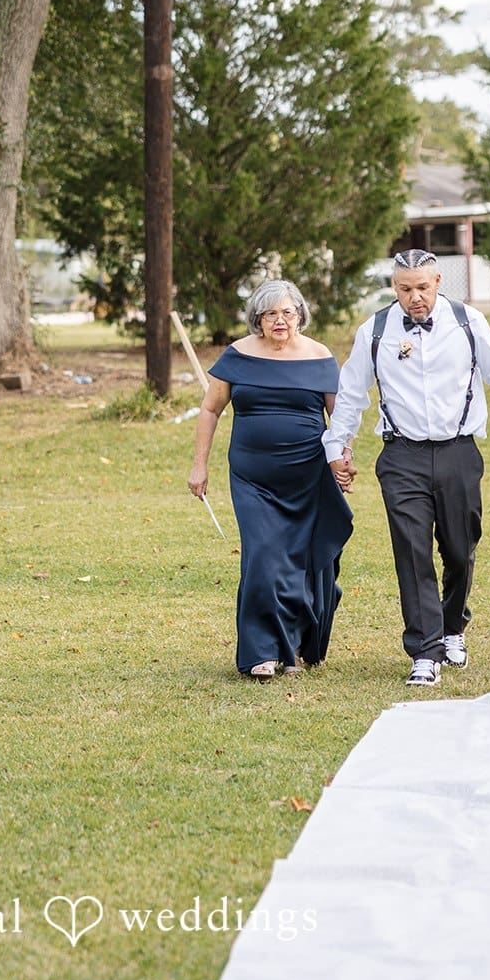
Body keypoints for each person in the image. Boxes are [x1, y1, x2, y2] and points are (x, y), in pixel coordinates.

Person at [324, 249, 490, 687]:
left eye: (422, 288)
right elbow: (351, 394)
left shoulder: (467, 323)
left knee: (460, 550)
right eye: (405, 289)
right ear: (395, 287)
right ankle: (424, 651)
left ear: (438, 282)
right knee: (412, 551)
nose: (415, 298)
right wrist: (338, 446)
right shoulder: (375, 331)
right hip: (401, 456)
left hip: (458, 452)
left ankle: (452, 627)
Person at [189, 279, 353, 680]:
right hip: (253, 477)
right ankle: (261, 652)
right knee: (263, 559)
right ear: (256, 319)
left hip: (309, 475)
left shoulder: (320, 357)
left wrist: (343, 460)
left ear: (300, 314)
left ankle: (293, 643)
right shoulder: (237, 356)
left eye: (287, 312)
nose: (280, 321)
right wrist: (199, 465)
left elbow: (341, 420)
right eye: (270, 314)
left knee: (302, 562)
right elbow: (210, 410)